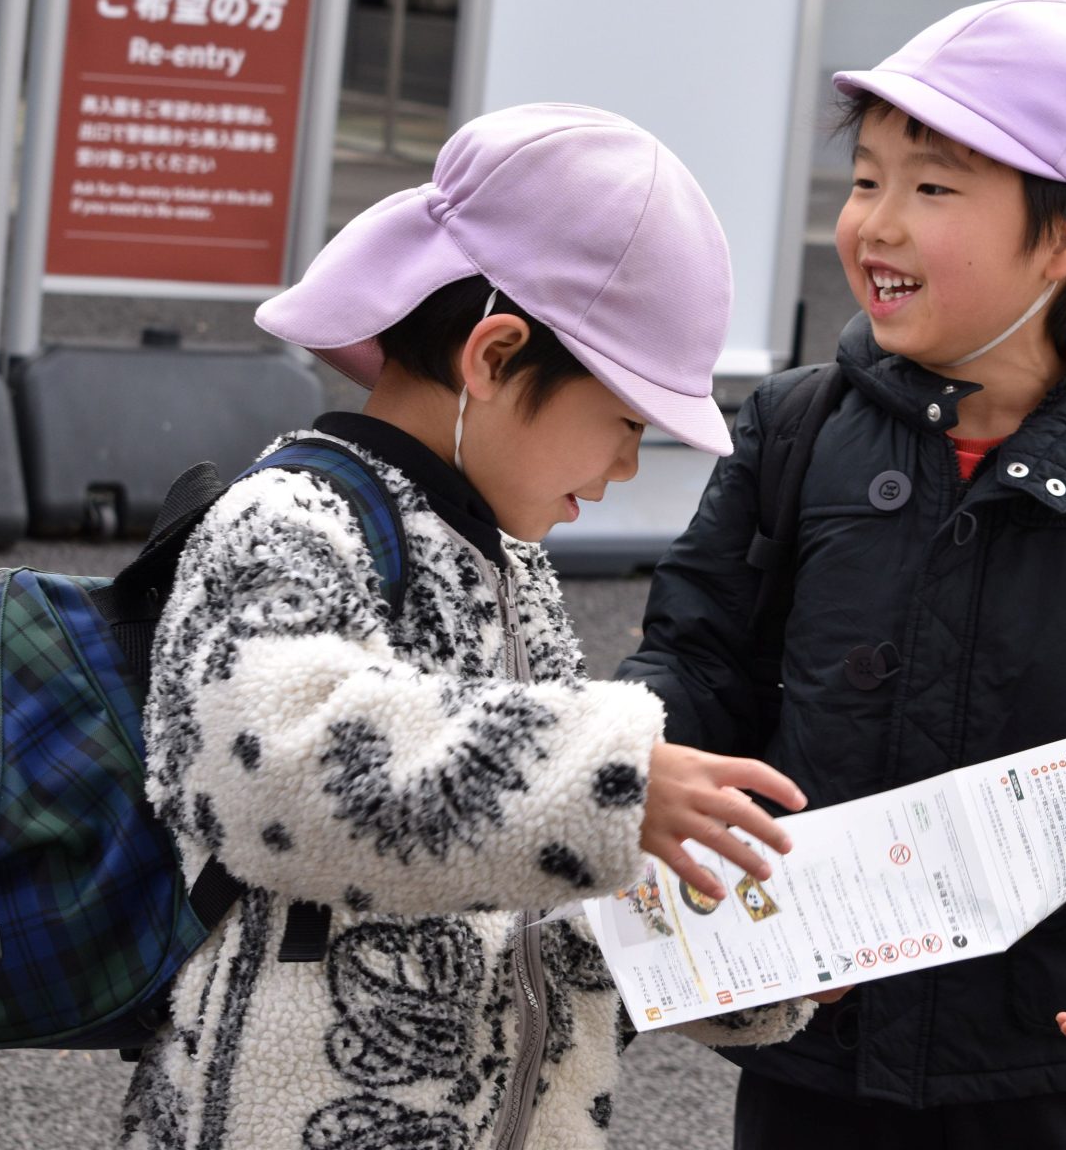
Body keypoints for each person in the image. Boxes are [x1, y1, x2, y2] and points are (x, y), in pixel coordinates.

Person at [619, 0, 1066, 1149]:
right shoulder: (797, 430)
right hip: (814, 1022)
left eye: (932, 188)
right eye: (865, 180)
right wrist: (626, 772)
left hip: (1038, 1050)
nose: (875, 224)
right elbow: (696, 658)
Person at [121, 103, 824, 1150]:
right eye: (626, 420)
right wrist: (612, 779)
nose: (626, 465)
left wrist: (748, 954)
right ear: (495, 356)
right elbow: (271, 767)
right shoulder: (286, 518)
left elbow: (524, 884)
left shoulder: (507, 564)